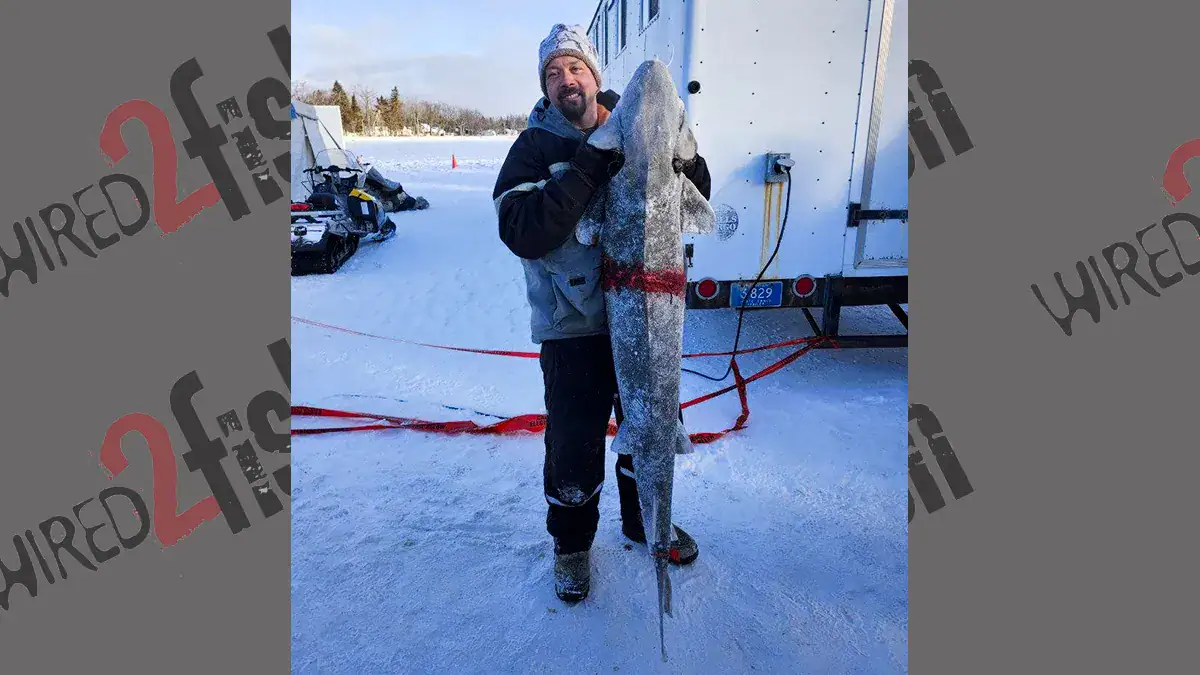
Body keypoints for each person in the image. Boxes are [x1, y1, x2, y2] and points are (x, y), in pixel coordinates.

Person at [492, 23, 713, 603]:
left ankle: (647, 521)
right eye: (553, 73)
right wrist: (589, 164)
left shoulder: (638, 119)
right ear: (545, 88)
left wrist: (685, 155)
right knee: (574, 446)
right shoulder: (534, 147)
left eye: (575, 68)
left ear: (594, 75)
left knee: (653, 425)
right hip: (573, 326)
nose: (566, 80)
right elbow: (521, 229)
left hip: (645, 317)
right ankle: (571, 547)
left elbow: (698, 191)